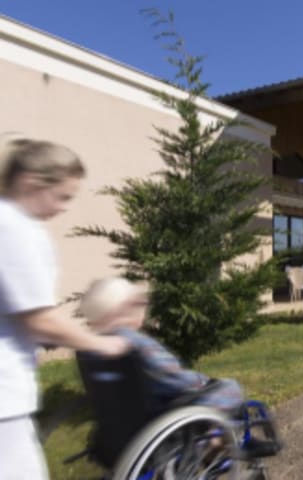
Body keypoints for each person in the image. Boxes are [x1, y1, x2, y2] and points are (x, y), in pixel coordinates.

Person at [0, 134, 129, 479]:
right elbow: (39, 319)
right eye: (63, 196)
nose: (64, 207)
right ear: (31, 183)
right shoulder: (16, 228)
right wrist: (102, 343)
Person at [79, 277, 245, 413]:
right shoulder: (136, 343)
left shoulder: (92, 350)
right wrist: (203, 382)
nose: (143, 307)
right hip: (166, 411)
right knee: (230, 387)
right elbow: (175, 379)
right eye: (139, 303)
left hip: (125, 425)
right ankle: (214, 438)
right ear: (124, 310)